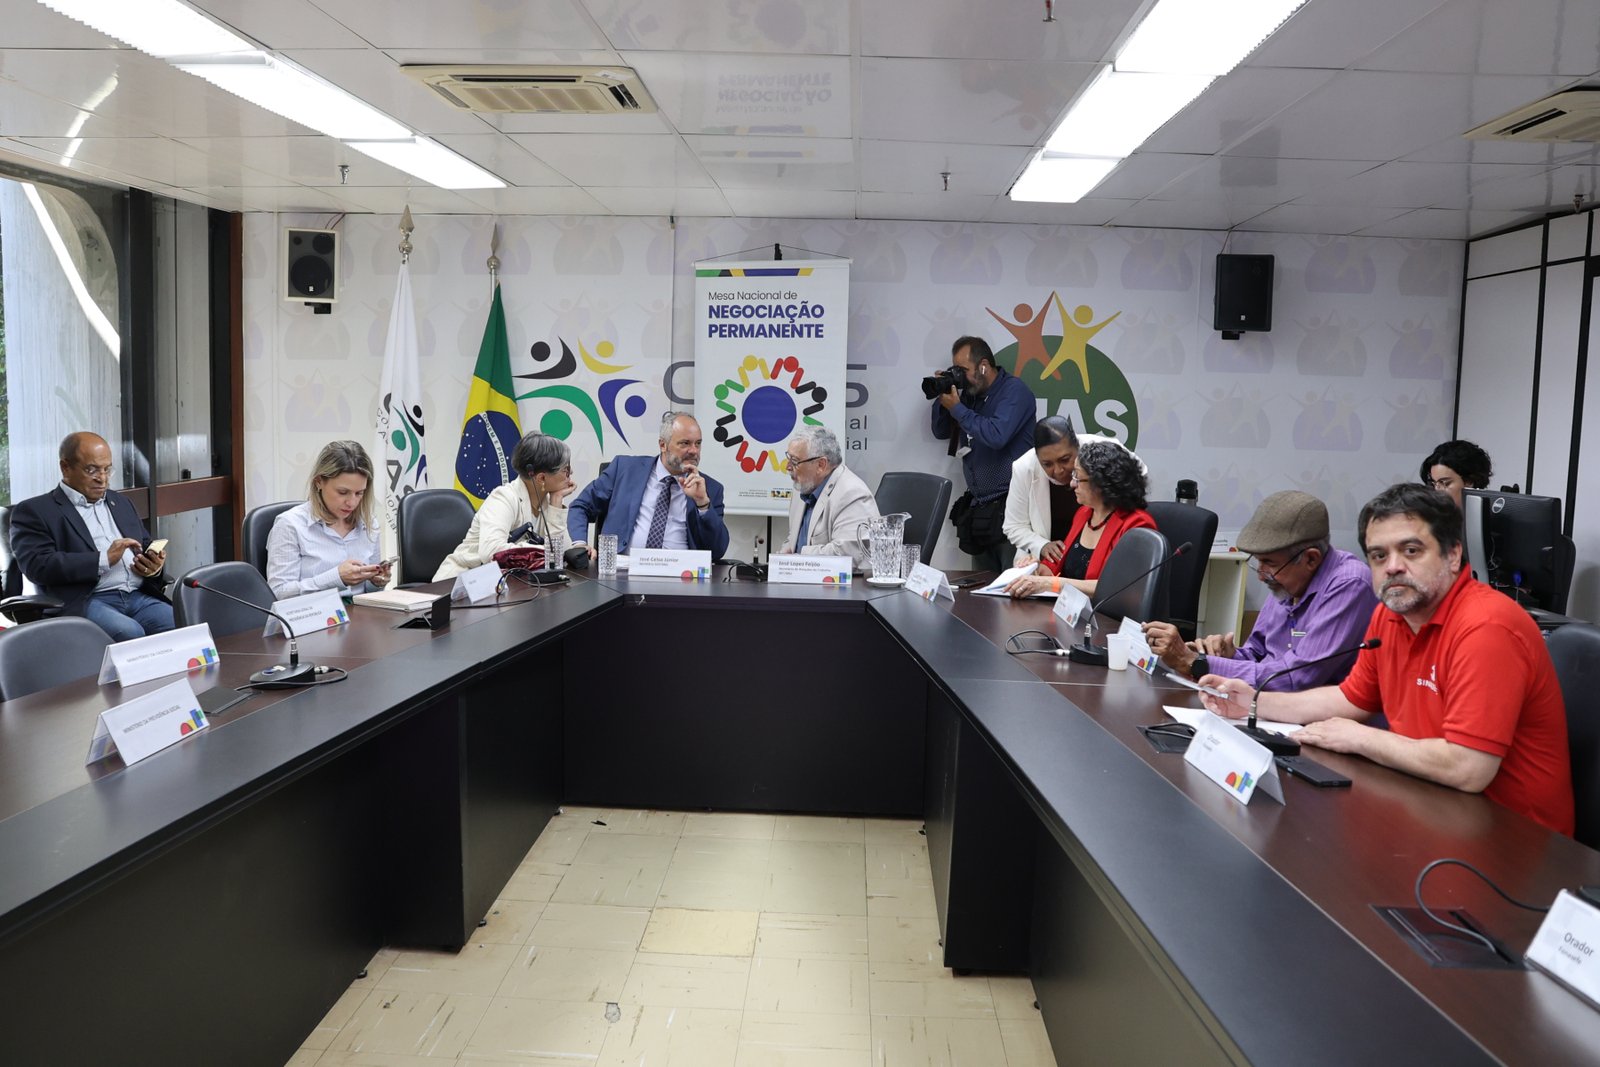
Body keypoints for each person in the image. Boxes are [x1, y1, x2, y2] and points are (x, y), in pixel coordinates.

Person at [1200, 483, 1573, 834]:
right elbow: (1350, 699)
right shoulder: (1391, 614)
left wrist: (1360, 738)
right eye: (1379, 555)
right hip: (1428, 802)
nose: (1392, 567)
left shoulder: (1487, 627)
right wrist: (1253, 701)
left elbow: (1468, 767)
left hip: (1511, 838)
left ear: (1453, 554)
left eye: (1411, 551)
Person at [1142, 490, 1377, 690]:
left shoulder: (1349, 585)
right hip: (1265, 706)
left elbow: (1296, 678)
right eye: (1258, 561)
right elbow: (1258, 653)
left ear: (1311, 559)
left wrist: (1195, 663)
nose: (1261, 574)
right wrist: (1228, 655)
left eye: (1269, 563)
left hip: (1314, 718)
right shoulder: (1287, 581)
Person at [9, 431, 173, 641]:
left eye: (107, 469)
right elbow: (38, 566)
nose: (102, 478)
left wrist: (153, 566)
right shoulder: (35, 511)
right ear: (65, 467)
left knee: (180, 622)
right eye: (92, 470)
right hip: (87, 600)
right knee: (129, 633)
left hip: (137, 595)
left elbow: (144, 544)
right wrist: (103, 559)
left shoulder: (121, 502)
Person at [932, 335, 1036, 573]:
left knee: (1013, 584)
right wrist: (943, 398)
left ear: (983, 366)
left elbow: (997, 435)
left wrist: (958, 409)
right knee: (981, 587)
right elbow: (940, 431)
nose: (960, 376)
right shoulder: (969, 396)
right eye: (956, 370)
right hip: (981, 510)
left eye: (963, 370)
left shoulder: (1014, 391)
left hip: (1014, 508)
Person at [566, 411, 730, 560]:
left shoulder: (710, 489)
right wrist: (580, 544)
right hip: (622, 573)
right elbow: (581, 506)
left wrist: (702, 504)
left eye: (698, 443)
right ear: (663, 445)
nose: (694, 451)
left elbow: (717, 552)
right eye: (685, 443)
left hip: (681, 576)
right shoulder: (624, 469)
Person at [1005, 440, 1154, 599]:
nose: (1072, 483)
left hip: (1105, 613)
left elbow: (1121, 587)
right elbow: (1058, 569)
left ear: (1101, 483)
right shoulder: (1084, 514)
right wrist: (1035, 570)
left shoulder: (1137, 525)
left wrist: (1049, 583)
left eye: (1077, 477)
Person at [1002, 415, 1145, 569]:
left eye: (1065, 459)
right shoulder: (1024, 468)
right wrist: (1041, 547)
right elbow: (1014, 525)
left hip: (1101, 560)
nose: (1058, 470)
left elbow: (1135, 477)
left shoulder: (1104, 452)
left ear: (1078, 446)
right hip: (1049, 562)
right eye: (1047, 464)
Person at [436, 432, 574, 579]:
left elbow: (562, 553)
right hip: (462, 580)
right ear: (541, 478)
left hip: (507, 583)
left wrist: (556, 502)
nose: (571, 473)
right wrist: (543, 551)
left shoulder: (548, 501)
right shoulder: (503, 498)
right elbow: (492, 552)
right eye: (566, 470)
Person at [265, 440, 389, 598]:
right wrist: (336, 578)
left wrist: (376, 582)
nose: (352, 502)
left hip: (360, 611)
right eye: (343, 492)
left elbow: (368, 594)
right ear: (319, 482)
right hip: (313, 612)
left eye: (359, 493)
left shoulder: (369, 523)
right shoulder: (289, 525)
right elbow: (279, 593)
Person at [775, 425, 879, 571]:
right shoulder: (802, 486)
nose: (787, 467)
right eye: (789, 458)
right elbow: (794, 539)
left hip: (845, 583)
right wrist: (784, 555)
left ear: (821, 465)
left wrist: (797, 558)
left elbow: (846, 554)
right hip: (805, 580)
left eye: (795, 461)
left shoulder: (852, 494)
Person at [1420, 439, 1493, 509]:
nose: (1437, 491)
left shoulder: (1492, 516)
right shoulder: (1428, 515)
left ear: (1469, 481)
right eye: (1434, 484)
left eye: (1444, 483)